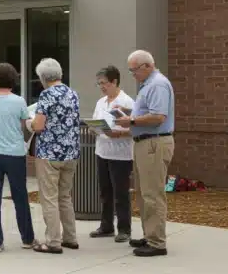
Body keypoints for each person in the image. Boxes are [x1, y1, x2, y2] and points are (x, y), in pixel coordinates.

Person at [114, 50, 175, 257]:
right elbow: (147, 114)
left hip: (154, 143)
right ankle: (150, 234)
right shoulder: (148, 85)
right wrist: (130, 114)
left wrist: (130, 121)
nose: (133, 75)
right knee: (143, 193)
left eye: (134, 70)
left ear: (147, 66)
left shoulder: (157, 84)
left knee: (152, 194)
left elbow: (158, 116)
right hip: (145, 143)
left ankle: (157, 242)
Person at [0, 63, 35, 252]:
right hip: (14, 154)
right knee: (20, 196)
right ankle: (27, 238)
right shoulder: (19, 101)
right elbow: (23, 126)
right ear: (14, 80)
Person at [30, 58, 80, 254]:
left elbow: (39, 125)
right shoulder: (72, 93)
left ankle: (53, 241)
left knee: (49, 197)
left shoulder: (46, 95)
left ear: (43, 77)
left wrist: (29, 123)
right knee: (65, 196)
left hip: (50, 153)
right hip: (71, 152)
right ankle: (71, 237)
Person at [89, 65, 134, 243]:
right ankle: (106, 226)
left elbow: (134, 128)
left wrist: (119, 133)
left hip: (120, 154)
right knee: (105, 191)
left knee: (120, 192)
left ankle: (124, 228)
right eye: (99, 84)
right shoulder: (101, 102)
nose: (102, 87)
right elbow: (96, 121)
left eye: (105, 83)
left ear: (115, 81)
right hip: (102, 151)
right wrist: (94, 129)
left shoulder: (127, 102)